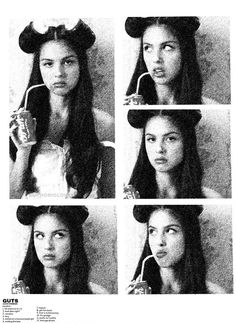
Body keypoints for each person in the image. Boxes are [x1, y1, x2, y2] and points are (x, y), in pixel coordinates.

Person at [9, 19, 115, 199]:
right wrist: (23, 151)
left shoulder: (103, 124)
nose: (59, 73)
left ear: (80, 65)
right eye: (48, 63)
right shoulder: (20, 124)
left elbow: (110, 194)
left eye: (67, 62)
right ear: (39, 68)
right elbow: (11, 197)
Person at [127, 205, 226, 294]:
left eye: (170, 230)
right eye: (152, 231)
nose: (159, 241)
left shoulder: (214, 294)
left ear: (188, 236)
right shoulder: (136, 292)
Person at [124, 109, 221, 199]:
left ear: (186, 142)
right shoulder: (131, 196)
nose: (159, 149)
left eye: (170, 139)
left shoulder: (211, 198)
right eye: (151, 139)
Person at [12, 205, 108, 294]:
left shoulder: (98, 294)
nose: (47, 246)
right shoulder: (17, 293)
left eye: (58, 235)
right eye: (40, 235)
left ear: (74, 238)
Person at [124, 16, 208, 105]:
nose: (156, 58)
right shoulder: (130, 104)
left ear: (185, 51)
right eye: (148, 48)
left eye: (167, 47)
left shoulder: (207, 105)